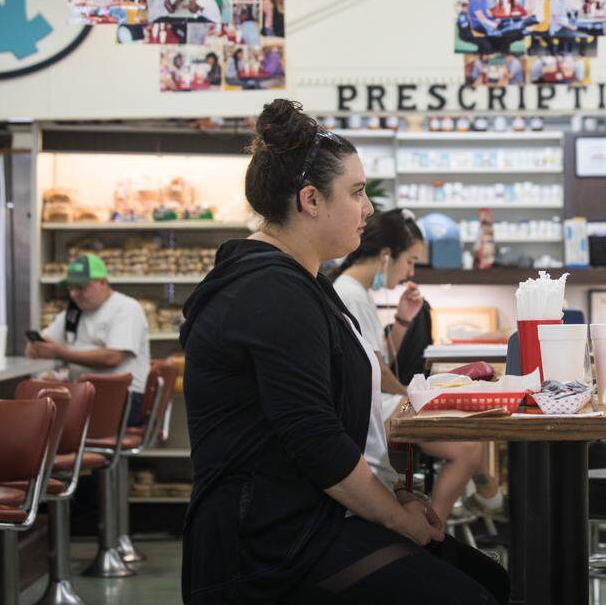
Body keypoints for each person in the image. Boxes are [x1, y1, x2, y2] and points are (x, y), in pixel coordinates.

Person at [179, 100, 509, 604]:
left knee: (493, 581)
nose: (369, 208)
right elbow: (315, 439)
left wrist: (394, 494)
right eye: (357, 192)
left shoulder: (304, 282)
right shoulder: (271, 291)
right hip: (266, 545)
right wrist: (395, 515)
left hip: (311, 516)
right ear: (310, 200)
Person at [333, 210, 505, 524]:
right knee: (468, 447)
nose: (411, 271)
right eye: (410, 261)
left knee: (468, 419)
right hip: (369, 412)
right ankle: (434, 527)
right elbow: (377, 372)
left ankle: (482, 497)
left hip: (378, 404)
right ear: (386, 256)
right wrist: (414, 398)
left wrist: (402, 320)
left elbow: (382, 361)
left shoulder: (357, 292)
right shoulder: (349, 293)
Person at [25, 253, 151, 425]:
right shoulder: (73, 313)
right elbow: (42, 343)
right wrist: (36, 346)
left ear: (103, 282)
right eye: (70, 288)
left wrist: (61, 353)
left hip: (124, 398)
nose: (75, 294)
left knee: (45, 422)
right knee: (35, 415)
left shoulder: (126, 309)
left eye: (81, 287)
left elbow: (112, 358)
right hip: (84, 395)